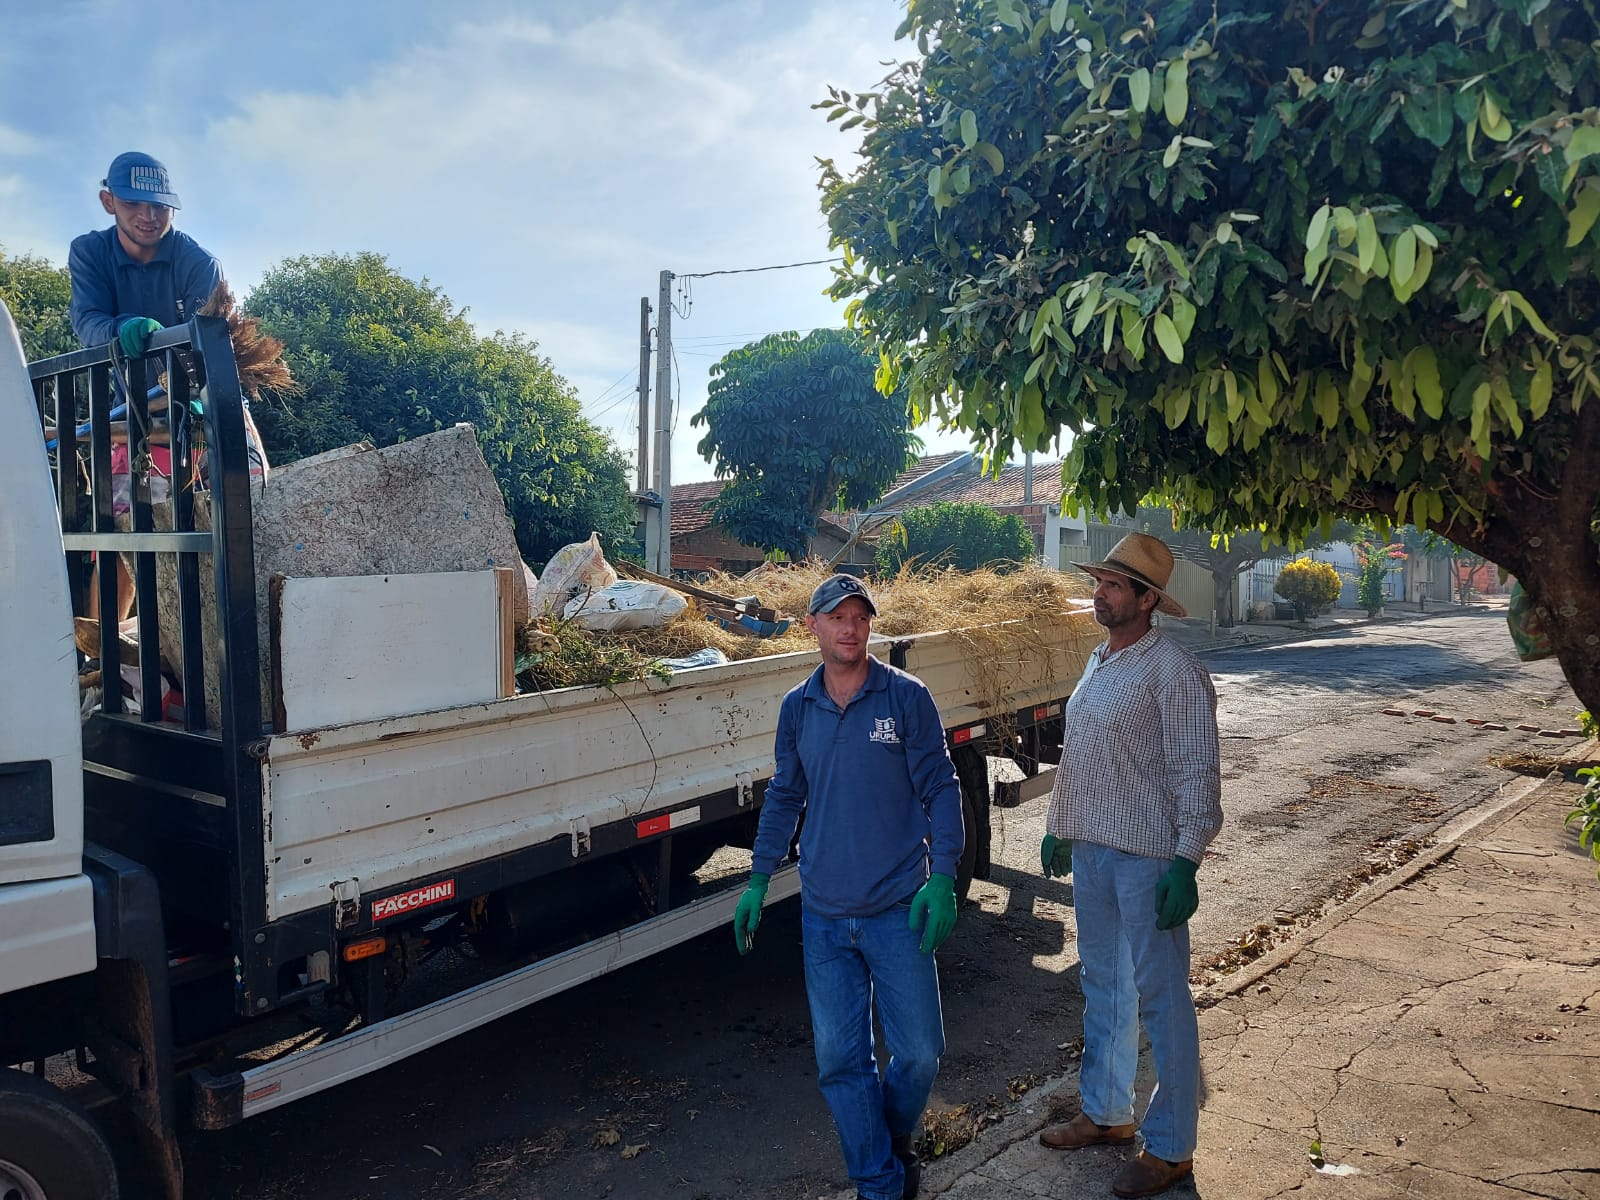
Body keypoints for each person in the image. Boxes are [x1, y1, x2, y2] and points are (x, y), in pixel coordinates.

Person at [733, 573, 963, 1200]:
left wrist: (942, 879)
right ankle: (880, 1183)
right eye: (837, 617)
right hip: (825, 915)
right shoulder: (796, 707)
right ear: (813, 626)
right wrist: (758, 877)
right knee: (841, 1061)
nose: (850, 628)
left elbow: (942, 787)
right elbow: (785, 794)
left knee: (918, 1054)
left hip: (896, 909)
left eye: (860, 617)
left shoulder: (906, 698)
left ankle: (883, 1145)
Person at [1036, 533, 1223, 1198]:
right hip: (1093, 852)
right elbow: (1080, 752)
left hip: (1148, 859)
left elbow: (1196, 772)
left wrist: (1186, 863)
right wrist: (1059, 827)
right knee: (1104, 986)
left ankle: (1172, 1147)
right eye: (1101, 582)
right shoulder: (1100, 658)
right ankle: (1107, 1114)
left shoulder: (1175, 672)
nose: (1101, 593)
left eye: (1115, 586)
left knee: (1163, 1000)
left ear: (1148, 600)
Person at [68, 152, 224, 620]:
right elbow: (87, 321)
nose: (149, 216)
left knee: (218, 531)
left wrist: (198, 400)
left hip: (199, 418)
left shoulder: (199, 263)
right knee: (118, 541)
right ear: (108, 201)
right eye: (134, 204)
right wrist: (121, 329)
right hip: (129, 419)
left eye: (160, 206)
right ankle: (105, 663)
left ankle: (203, 656)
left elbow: (212, 347)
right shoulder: (89, 252)